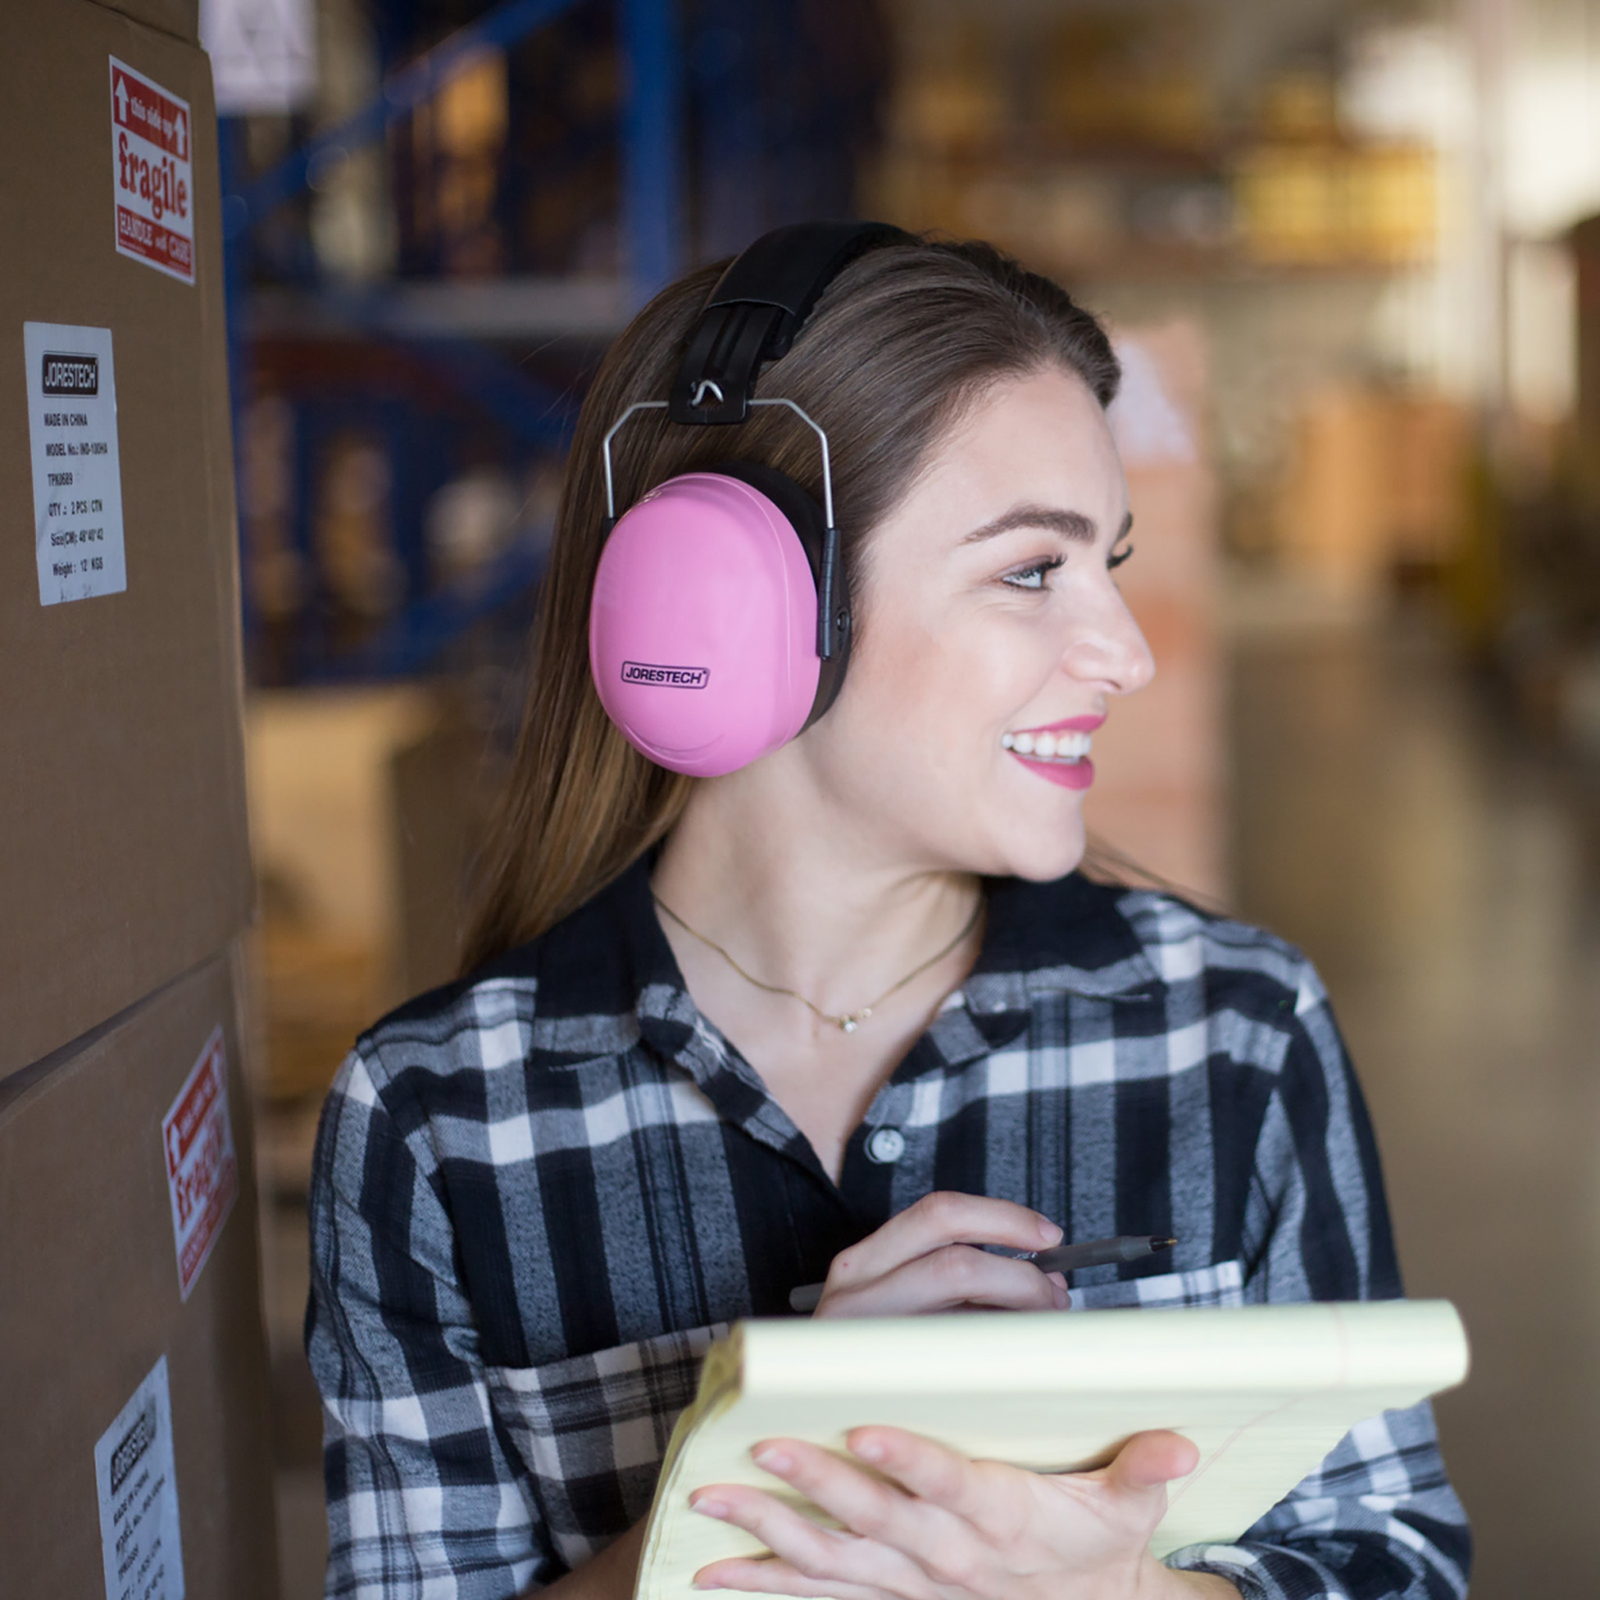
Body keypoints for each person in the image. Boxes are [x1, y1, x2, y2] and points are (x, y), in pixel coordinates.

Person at [306, 226, 1470, 1600]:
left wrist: (1120, 1593)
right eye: (1034, 570)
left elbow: (1396, 1561)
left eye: (1112, 560)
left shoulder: (1238, 1033)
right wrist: (763, 1479)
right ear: (732, 608)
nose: (1129, 650)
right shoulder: (441, 1119)